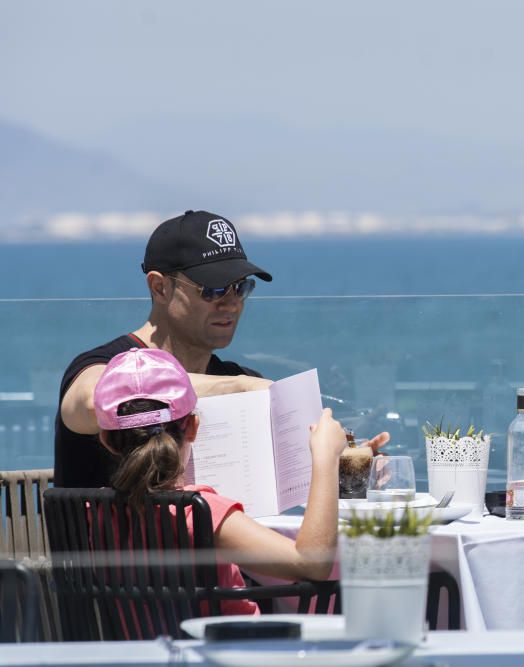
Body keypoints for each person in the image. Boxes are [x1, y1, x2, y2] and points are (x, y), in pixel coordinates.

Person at [55, 209, 389, 487]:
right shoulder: (103, 366)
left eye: (239, 288)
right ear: (159, 287)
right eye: (212, 289)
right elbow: (95, 399)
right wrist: (239, 388)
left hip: (224, 560)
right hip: (115, 565)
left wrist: (348, 468)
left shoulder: (240, 380)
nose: (230, 304)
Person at [94, 347, 344, 613]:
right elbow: (312, 563)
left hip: (140, 652)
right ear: (192, 427)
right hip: (228, 649)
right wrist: (326, 459)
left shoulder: (93, 513)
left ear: (107, 440)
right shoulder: (200, 512)